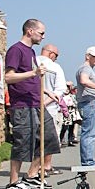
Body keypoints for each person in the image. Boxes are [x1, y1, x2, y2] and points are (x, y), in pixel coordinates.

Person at [3, 19, 61, 189]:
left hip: (36, 103)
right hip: (22, 105)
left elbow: (32, 79)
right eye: (41, 33)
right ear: (30, 31)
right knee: (22, 143)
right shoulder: (16, 50)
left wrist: (46, 92)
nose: (43, 37)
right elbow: (8, 77)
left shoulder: (31, 52)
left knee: (49, 139)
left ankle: (30, 176)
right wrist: (33, 73)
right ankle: (13, 182)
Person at [36, 44, 67, 175]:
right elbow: (60, 90)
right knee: (48, 137)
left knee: (35, 137)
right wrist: (45, 102)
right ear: (51, 54)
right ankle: (46, 166)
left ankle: (35, 167)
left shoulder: (32, 61)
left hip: (32, 104)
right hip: (49, 106)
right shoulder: (55, 67)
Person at [60, 81, 80, 145]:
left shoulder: (72, 96)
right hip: (64, 112)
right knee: (64, 127)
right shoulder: (61, 96)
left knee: (72, 126)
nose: (66, 90)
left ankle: (70, 140)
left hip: (71, 112)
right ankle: (61, 139)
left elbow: (75, 102)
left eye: (68, 89)